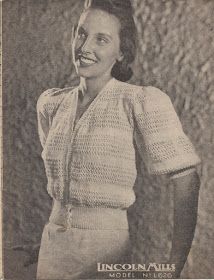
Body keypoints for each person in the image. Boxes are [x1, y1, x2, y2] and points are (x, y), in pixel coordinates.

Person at [36, 0, 201, 279]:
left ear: (121, 52)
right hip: (51, 250)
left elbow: (187, 178)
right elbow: (65, 182)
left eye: (101, 39)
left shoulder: (138, 101)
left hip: (105, 253)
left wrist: (175, 264)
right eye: (81, 33)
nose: (85, 47)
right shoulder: (52, 104)